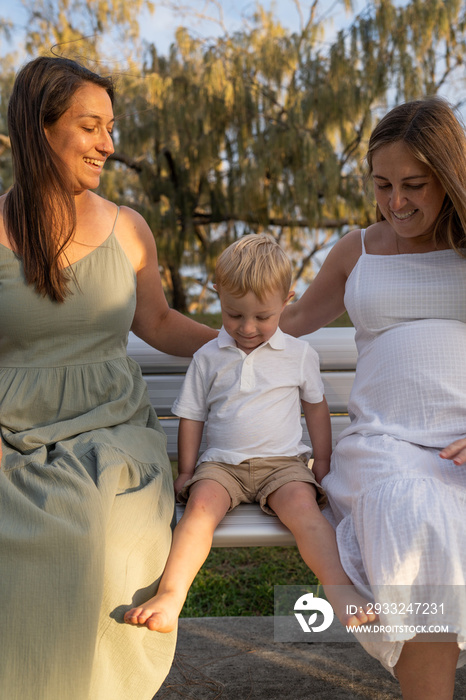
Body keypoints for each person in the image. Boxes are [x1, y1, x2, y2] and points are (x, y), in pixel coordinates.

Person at [0, 56, 217, 700]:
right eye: (90, 127)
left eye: (111, 128)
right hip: (12, 429)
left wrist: (240, 342)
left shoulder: (127, 228)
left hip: (111, 432)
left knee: (94, 524)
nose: (108, 145)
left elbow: (158, 321)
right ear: (41, 131)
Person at [279, 96, 466, 700]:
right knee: (415, 515)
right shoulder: (357, 251)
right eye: (382, 185)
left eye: (413, 185)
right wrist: (212, 326)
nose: (396, 202)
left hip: (459, 445)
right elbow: (291, 320)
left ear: (449, 178)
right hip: (384, 442)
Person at [124, 233, 377, 633]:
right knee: (198, 514)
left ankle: (340, 591)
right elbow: (192, 417)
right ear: (217, 298)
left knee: (307, 515)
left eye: (263, 317)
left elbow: (316, 408)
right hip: (222, 466)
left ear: (287, 301)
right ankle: (172, 594)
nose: (246, 327)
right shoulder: (208, 357)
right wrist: (188, 471)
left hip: (284, 465)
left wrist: (322, 463)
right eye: (233, 314)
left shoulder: (298, 355)